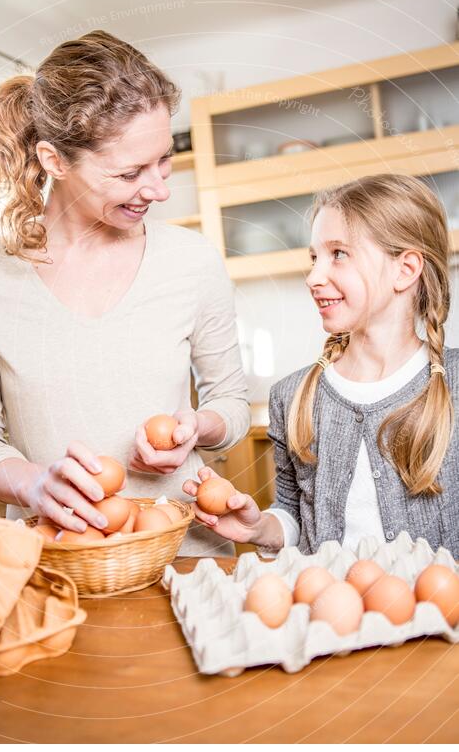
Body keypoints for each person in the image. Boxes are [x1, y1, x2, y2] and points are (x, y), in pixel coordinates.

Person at [0, 30, 249, 556]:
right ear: (54, 160)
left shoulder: (192, 260)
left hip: (187, 559)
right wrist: (33, 484)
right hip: (55, 558)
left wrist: (200, 426)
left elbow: (230, 403)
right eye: (129, 172)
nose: (159, 189)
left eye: (163, 160)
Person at [184, 174, 459, 560]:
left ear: (405, 269)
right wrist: (261, 527)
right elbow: (294, 513)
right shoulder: (294, 397)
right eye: (314, 257)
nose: (314, 277)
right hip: (332, 617)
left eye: (339, 254)